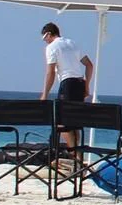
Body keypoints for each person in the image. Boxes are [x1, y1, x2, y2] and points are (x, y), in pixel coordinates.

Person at [40, 23, 95, 151]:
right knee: (75, 123)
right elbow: (89, 65)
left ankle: (74, 154)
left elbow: (51, 72)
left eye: (44, 39)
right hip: (80, 83)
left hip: (67, 84)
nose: (45, 42)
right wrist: (87, 86)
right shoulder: (72, 43)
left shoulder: (52, 47)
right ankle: (78, 158)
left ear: (48, 34)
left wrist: (45, 94)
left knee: (62, 122)